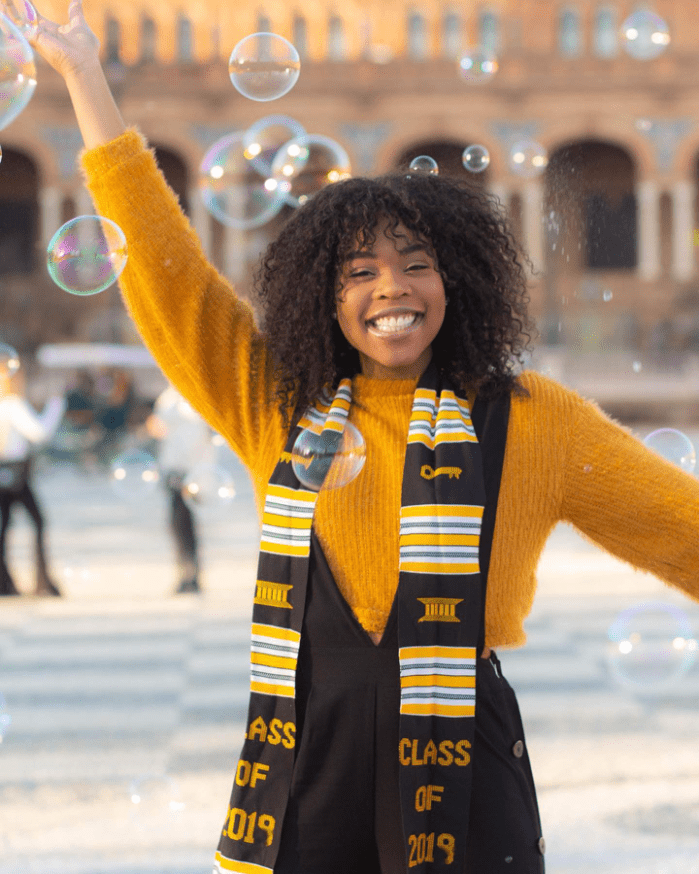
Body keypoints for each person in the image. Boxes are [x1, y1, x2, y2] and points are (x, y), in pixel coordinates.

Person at [13, 2, 699, 871]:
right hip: (306, 761)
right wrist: (85, 77)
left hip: (465, 763)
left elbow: (685, 531)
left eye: (418, 264)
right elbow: (166, 272)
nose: (391, 289)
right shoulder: (276, 404)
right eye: (359, 271)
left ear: (463, 282)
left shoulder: (536, 419)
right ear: (321, 296)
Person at [0, 369, 66, 596]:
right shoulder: (12, 404)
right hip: (16, 472)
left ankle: (4, 582)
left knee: (4, 526)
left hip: (3, 472)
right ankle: (42, 581)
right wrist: (56, 405)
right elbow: (39, 433)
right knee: (38, 522)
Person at [146, 385, 213, 594]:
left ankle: (192, 575)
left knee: (186, 524)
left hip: (190, 469)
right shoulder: (168, 395)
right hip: (172, 467)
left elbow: (196, 433)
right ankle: (184, 573)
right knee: (176, 524)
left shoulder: (192, 394)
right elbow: (158, 426)